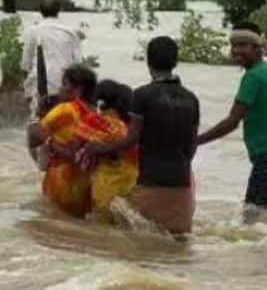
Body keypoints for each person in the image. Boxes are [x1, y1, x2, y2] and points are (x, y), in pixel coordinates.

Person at [80, 37, 199, 236]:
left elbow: (131, 139)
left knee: (143, 248)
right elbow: (192, 146)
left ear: (148, 61)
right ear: (176, 62)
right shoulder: (191, 98)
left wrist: (98, 148)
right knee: (178, 249)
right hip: (182, 186)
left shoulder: (143, 95)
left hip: (151, 181)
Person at [197, 23, 267, 222]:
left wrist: (195, 141)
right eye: (233, 45)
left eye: (243, 45)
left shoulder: (253, 77)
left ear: (257, 47)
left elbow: (232, 122)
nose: (236, 51)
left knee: (252, 222)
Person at [27, 65, 97, 218]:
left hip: (61, 179)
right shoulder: (94, 111)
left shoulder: (65, 109)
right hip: (87, 183)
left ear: (78, 89)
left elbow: (34, 140)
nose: (60, 89)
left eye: (64, 84)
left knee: (53, 228)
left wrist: (38, 115)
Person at [76, 80, 139, 224]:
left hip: (105, 182)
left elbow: (76, 145)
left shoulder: (94, 121)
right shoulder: (129, 127)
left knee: (102, 227)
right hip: (131, 180)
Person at [21, 0, 82, 116]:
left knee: (38, 122)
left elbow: (25, 65)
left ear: (40, 11)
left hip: (40, 87)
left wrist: (26, 89)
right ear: (59, 10)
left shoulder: (32, 31)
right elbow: (77, 64)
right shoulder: (70, 33)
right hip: (65, 87)